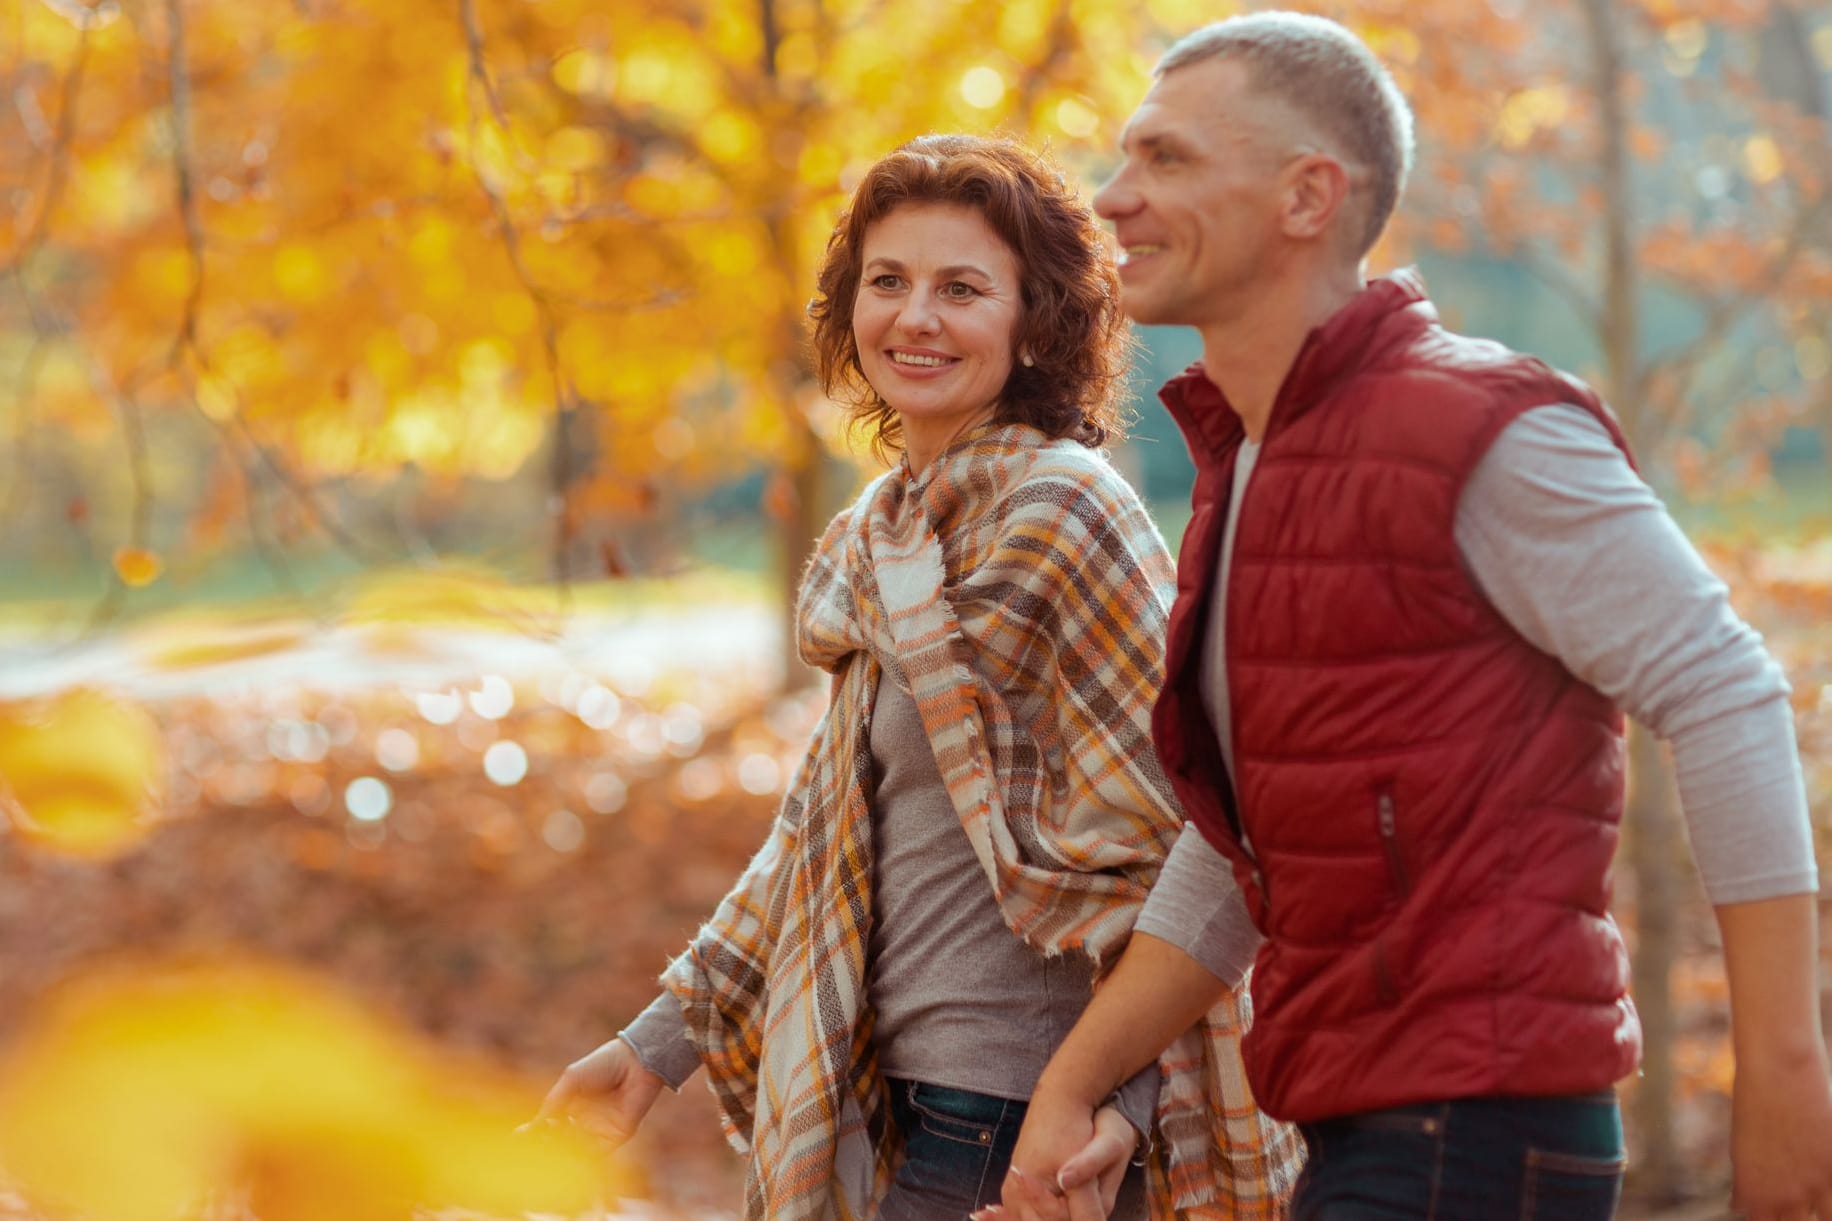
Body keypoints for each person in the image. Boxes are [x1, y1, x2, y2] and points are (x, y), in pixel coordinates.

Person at [989, 12, 1831, 1221]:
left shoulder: (1477, 428)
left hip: (1473, 1130)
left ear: (1305, 196)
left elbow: (1722, 690)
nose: (1112, 198)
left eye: (1164, 160)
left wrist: (1784, 1079)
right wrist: (1070, 1084)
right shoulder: (1249, 467)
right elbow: (1248, 845)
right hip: (1360, 1132)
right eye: (1123, 158)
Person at [531, 134, 1302, 1220]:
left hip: (1015, 1122)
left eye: (961, 289)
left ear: (1035, 321)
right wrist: (654, 1047)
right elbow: (825, 833)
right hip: (897, 1102)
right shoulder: (884, 533)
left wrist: (1102, 1099)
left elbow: (1204, 830)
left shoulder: (1062, 512)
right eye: (886, 282)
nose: (915, 317)